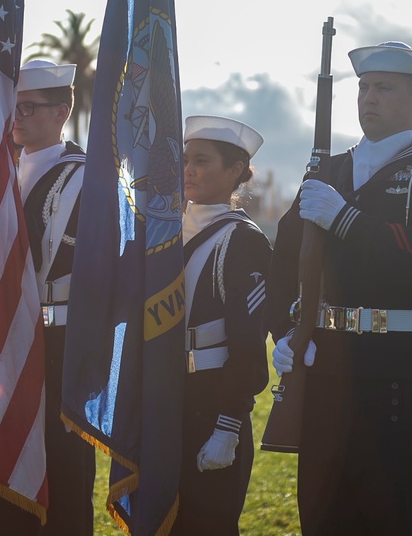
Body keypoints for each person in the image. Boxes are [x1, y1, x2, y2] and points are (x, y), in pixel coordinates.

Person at [268, 41, 412, 535]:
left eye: (384, 88)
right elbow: (281, 264)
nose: (369, 97)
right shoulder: (330, 170)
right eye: (364, 87)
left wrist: (346, 219)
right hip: (328, 379)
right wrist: (285, 332)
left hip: (404, 384)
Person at [0, 60, 95, 536]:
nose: (18, 119)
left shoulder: (90, 180)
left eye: (29, 108)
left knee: (65, 480)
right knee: (4, 472)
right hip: (6, 341)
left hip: (62, 344)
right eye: (14, 109)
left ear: (63, 110)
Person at [171, 116, 271, 535]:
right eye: (186, 159)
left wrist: (228, 425)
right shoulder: (163, 230)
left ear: (235, 171)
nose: (189, 170)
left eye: (202, 161)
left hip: (211, 402)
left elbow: (248, 344)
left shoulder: (243, 239)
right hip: (164, 399)